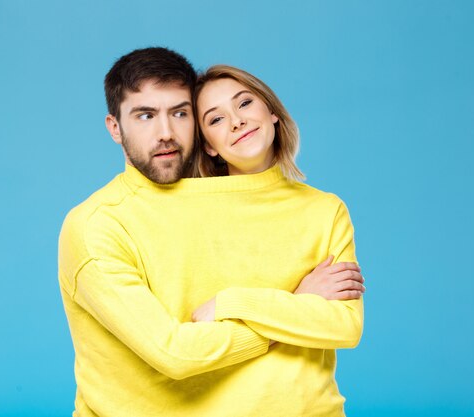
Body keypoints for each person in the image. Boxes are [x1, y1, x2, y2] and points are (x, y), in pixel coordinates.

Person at [58, 47, 364, 417]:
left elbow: (345, 325)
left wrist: (241, 306)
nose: (166, 133)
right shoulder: (96, 225)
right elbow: (175, 352)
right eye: (145, 115)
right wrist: (295, 304)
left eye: (180, 114)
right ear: (114, 127)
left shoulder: (317, 208)